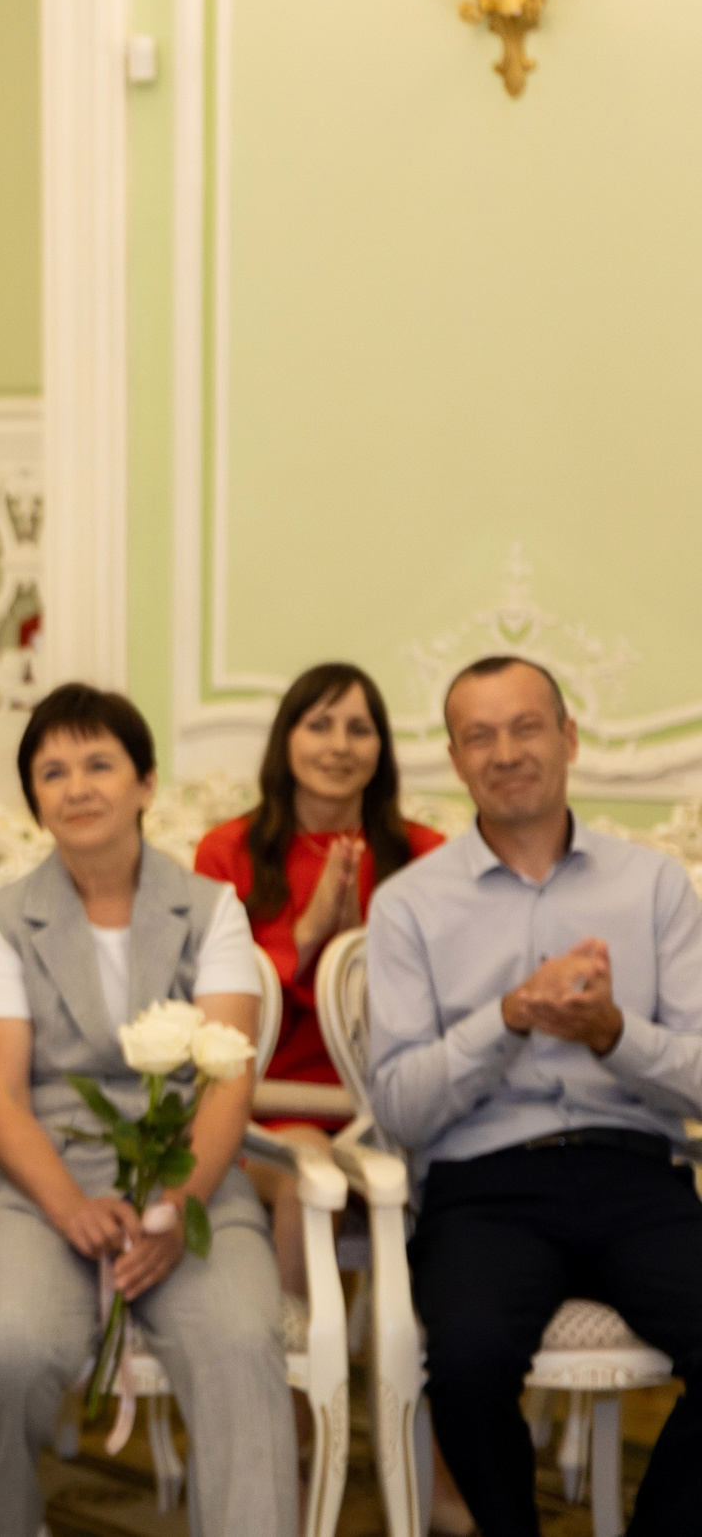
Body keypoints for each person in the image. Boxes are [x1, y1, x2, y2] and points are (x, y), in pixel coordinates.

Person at [366, 655, 702, 1537]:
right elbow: (398, 1105)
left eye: (526, 727)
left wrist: (611, 1034)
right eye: (480, 734)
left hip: (639, 1174)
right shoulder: (408, 906)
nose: (506, 751)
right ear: (455, 757)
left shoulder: (655, 884)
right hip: (485, 1187)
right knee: (468, 1363)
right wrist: (507, 1016)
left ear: (569, 739)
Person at [0, 684, 297, 1537]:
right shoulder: (2, 922)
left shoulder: (212, 909)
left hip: (192, 1172)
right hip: (41, 1180)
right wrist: (70, 1206)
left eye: (99, 763)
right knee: (8, 1346)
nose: (77, 786)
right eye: (53, 770)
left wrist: (178, 1207)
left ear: (146, 782)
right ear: (34, 799)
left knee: (244, 1342)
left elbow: (227, 1076)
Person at [193, 662, 445, 1299]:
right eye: (320, 725)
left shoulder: (426, 855)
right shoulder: (227, 850)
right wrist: (304, 938)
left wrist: (364, 954)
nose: (339, 746)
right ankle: (300, 1382)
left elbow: (443, 999)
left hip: (390, 1102)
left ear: (381, 751)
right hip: (270, 1102)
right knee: (313, 1169)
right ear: (287, 740)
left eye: (359, 729)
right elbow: (214, 999)